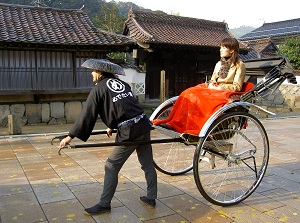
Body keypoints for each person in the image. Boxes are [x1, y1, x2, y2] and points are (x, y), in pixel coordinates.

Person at [59, 59, 157, 215]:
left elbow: (87, 114)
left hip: (130, 132)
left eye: (92, 71)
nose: (91, 74)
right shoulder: (123, 84)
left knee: (111, 166)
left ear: (99, 72)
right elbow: (123, 105)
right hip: (143, 125)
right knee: (147, 164)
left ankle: (104, 204)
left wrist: (70, 136)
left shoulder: (98, 89)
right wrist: (113, 125)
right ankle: (151, 197)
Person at [152, 37, 249, 135]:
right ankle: (175, 123)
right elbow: (213, 78)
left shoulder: (239, 65)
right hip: (213, 88)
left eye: (224, 48)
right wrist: (211, 84)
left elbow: (237, 86)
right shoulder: (219, 64)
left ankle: (195, 127)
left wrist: (220, 88)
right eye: (220, 47)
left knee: (201, 98)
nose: (220, 50)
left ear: (232, 50)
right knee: (188, 93)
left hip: (225, 92)